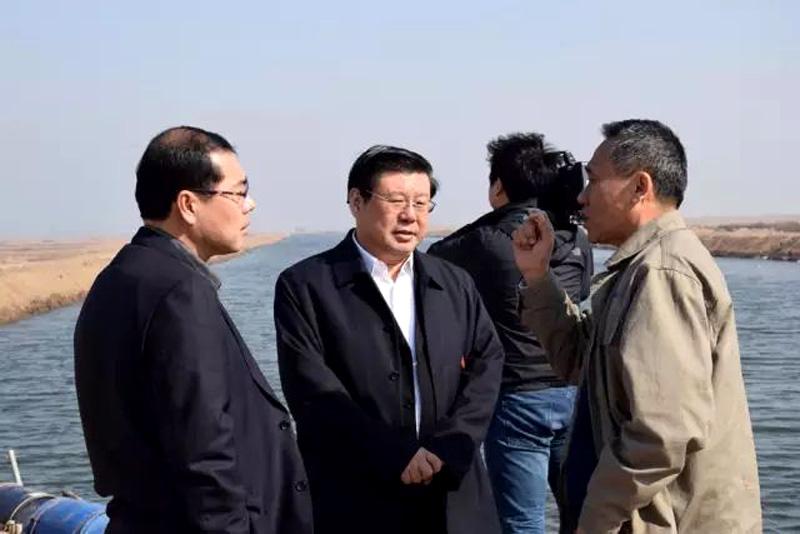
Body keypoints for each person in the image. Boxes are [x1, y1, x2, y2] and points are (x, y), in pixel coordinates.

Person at [512, 119, 762, 533]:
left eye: (593, 180)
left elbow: (662, 432)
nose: (582, 196)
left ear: (639, 187)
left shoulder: (662, 271)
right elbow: (580, 362)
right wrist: (538, 277)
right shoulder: (638, 268)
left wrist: (596, 520)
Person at [74, 126, 313, 534]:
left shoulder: (122, 276)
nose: (250, 205)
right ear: (188, 204)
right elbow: (204, 448)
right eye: (238, 192)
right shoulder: (178, 292)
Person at [274, 145, 504, 534]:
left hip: (453, 493)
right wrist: (396, 454)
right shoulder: (306, 286)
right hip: (356, 497)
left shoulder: (454, 282)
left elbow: (488, 363)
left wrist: (451, 445)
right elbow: (312, 391)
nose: (410, 215)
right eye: (396, 201)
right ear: (356, 201)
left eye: (421, 203)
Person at [427, 132, 593, 534]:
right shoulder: (577, 238)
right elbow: (583, 291)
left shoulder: (483, 242)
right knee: (586, 514)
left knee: (521, 522)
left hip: (516, 397)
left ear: (499, 187)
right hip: (574, 390)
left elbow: (434, 257)